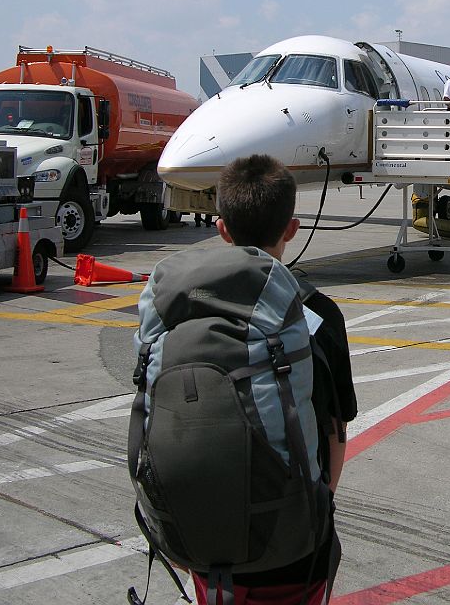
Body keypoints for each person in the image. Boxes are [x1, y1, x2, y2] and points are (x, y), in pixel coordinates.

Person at [149, 155, 357, 605]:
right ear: (291, 228)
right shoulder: (318, 313)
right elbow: (335, 434)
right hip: (292, 546)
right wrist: (316, 507)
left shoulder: (180, 307)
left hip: (200, 538)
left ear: (222, 228)